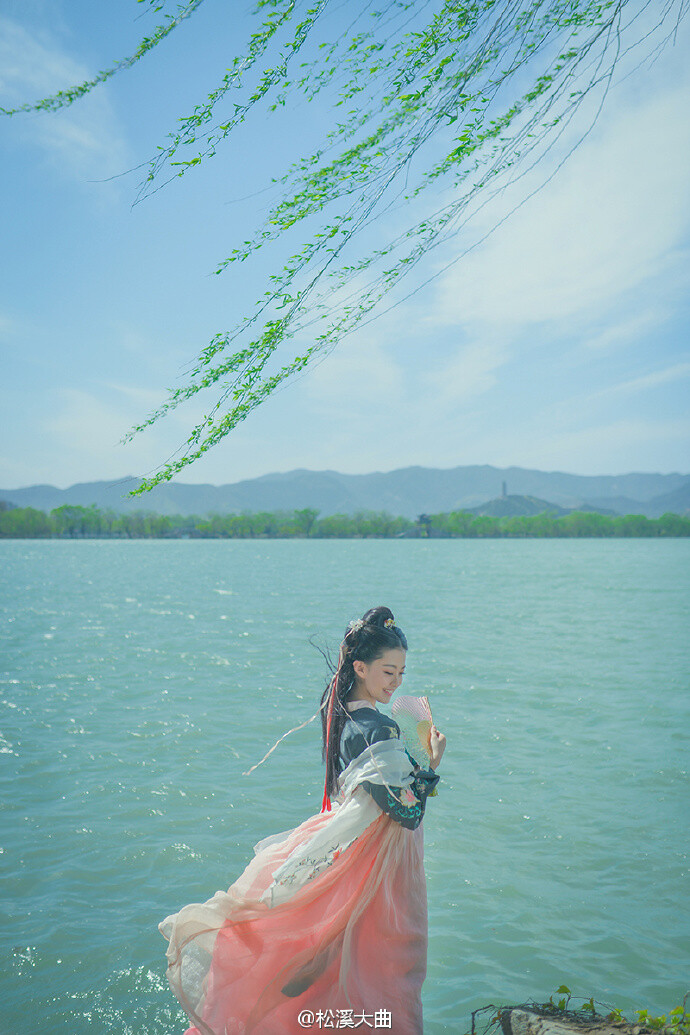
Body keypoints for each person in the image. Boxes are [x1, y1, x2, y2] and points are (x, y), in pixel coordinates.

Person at [159, 605, 446, 1035]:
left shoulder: (342, 716)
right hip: (376, 862)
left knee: (329, 954)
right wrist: (430, 764)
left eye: (402, 673)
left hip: (349, 851)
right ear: (361, 667)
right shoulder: (378, 729)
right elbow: (407, 811)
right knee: (384, 962)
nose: (397, 682)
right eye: (389, 672)